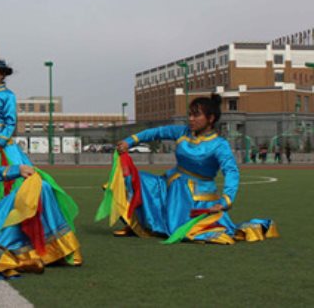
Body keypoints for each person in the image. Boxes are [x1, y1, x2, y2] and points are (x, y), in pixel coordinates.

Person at [112, 94, 278, 244]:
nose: (191, 119)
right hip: (169, 185)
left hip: (197, 196)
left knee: (187, 231)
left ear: (211, 118)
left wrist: (225, 201)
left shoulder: (219, 145)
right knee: (129, 178)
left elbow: (231, 171)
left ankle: (157, 224)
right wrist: (130, 141)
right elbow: (156, 132)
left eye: (196, 115)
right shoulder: (182, 132)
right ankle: (136, 224)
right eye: (189, 115)